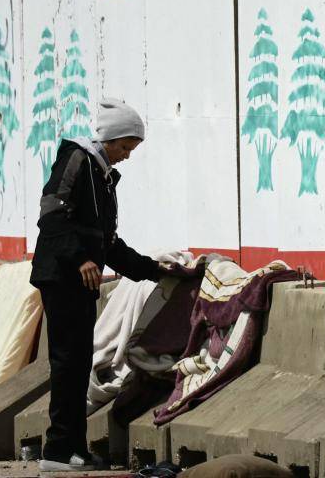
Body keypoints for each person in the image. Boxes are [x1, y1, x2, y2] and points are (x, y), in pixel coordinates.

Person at [30, 98, 201, 472]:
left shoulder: (103, 176)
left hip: (80, 280)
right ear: (109, 137)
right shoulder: (76, 160)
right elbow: (51, 216)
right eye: (124, 146)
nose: (126, 155)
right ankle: (58, 449)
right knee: (67, 362)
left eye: (131, 149)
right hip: (61, 277)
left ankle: (72, 448)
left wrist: (154, 270)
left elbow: (108, 244)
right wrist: (80, 259)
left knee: (78, 364)